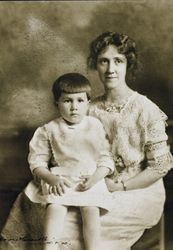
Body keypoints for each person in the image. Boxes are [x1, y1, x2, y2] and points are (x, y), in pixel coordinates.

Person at [87, 31, 173, 248]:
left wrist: (120, 186)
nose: (110, 69)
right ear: (95, 65)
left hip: (138, 189)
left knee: (95, 226)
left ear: (128, 64)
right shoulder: (89, 109)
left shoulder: (146, 109)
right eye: (103, 61)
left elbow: (159, 168)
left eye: (118, 61)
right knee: (49, 211)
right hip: (98, 183)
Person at [24, 72, 115, 250]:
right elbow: (37, 162)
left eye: (80, 101)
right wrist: (51, 179)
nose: (74, 107)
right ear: (56, 103)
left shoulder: (95, 126)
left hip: (89, 177)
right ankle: (49, 248)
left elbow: (106, 158)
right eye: (67, 101)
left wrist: (96, 178)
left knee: (91, 210)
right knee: (55, 208)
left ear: (88, 103)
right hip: (61, 179)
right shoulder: (49, 129)